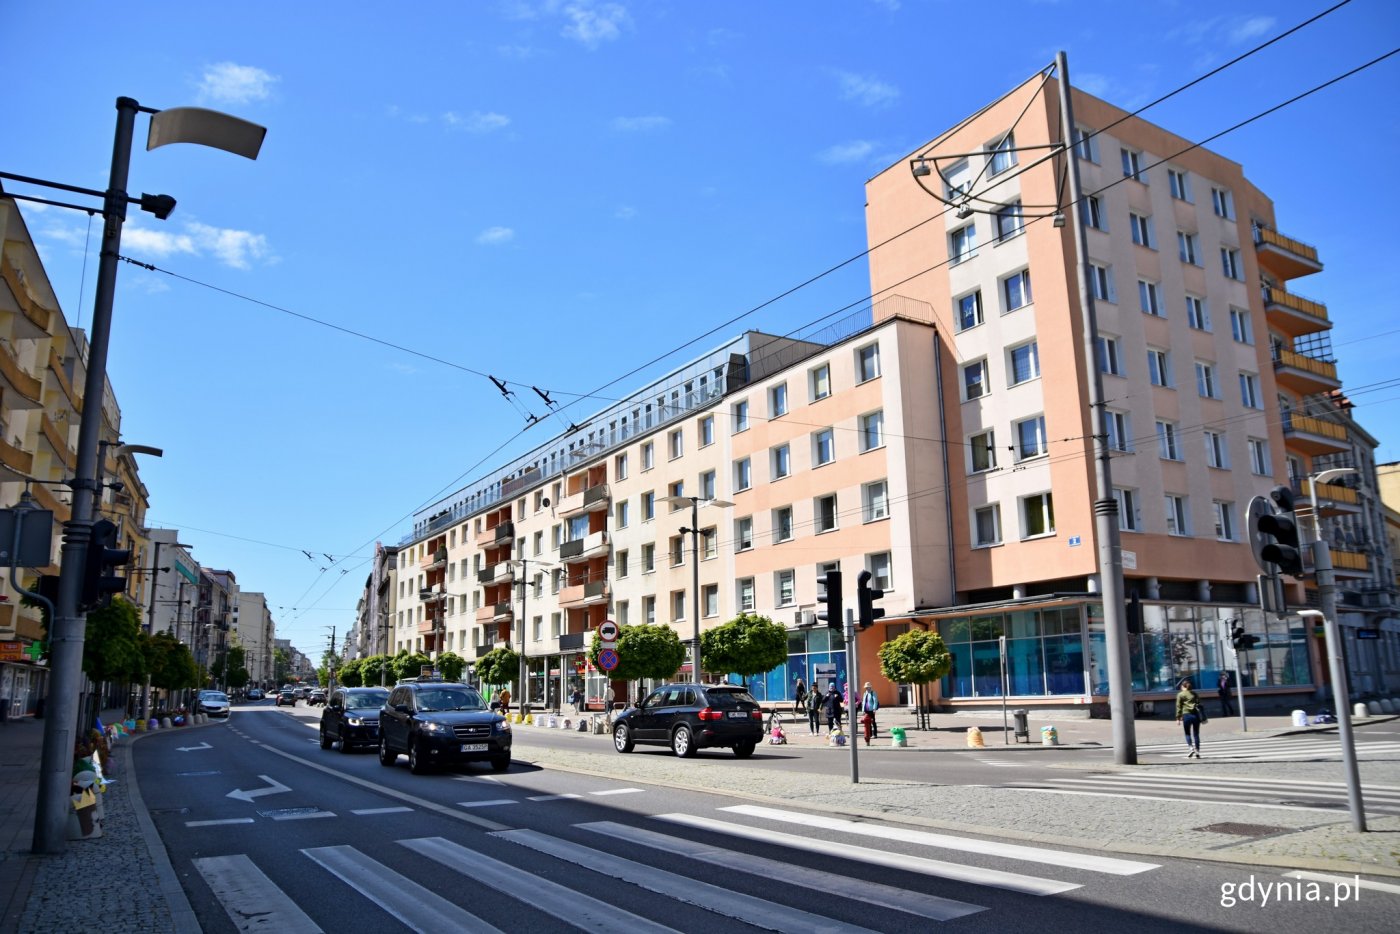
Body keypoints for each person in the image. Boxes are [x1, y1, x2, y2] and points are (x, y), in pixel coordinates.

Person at [1175, 679, 1205, 758]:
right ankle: (1197, 751)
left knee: (1187, 733)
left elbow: (1178, 707)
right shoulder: (1194, 693)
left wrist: (1178, 718)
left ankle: (1191, 748)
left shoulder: (1180, 695)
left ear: (1183, 686)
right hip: (1195, 715)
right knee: (1196, 734)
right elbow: (1199, 704)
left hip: (1186, 715)